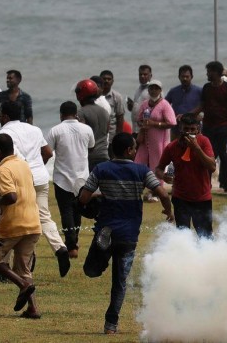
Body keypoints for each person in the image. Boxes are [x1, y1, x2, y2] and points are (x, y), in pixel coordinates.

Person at [79, 133, 173, 334]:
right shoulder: (141, 171)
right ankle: (111, 325)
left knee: (91, 270)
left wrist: (98, 195)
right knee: (120, 282)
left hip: (107, 227)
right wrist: (168, 211)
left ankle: (103, 251)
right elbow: (163, 194)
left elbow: (84, 197)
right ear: (128, 151)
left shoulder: (101, 169)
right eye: (134, 148)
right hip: (129, 234)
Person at [0, 101, 70, 277]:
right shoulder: (34, 129)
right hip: (41, 177)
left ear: (5, 116)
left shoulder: (3, 133)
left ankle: (4, 263)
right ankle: (60, 248)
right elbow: (47, 153)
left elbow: (13, 158)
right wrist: (38, 168)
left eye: (0, 114)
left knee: (12, 217)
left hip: (21, 180)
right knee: (43, 216)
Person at [0, 133, 42, 319]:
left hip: (13, 224)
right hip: (33, 223)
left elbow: (11, 197)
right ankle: (33, 309)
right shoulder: (23, 164)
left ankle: (22, 285)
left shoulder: (4, 169)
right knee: (24, 268)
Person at [45, 101, 95, 258]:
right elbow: (91, 147)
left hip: (62, 178)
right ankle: (74, 243)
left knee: (66, 211)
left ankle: (71, 245)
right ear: (77, 115)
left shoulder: (55, 130)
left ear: (61, 115)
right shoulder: (86, 129)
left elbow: (48, 151)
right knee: (77, 210)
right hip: (82, 177)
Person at [156, 113, 216, 238]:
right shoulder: (172, 147)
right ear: (180, 129)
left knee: (205, 236)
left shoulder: (204, 142)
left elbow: (212, 166)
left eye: (192, 129)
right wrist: (164, 176)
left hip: (202, 198)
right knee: (183, 237)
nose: (189, 132)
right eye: (186, 129)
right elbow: (158, 169)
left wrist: (197, 148)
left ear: (198, 130)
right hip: (181, 198)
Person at [194, 61, 227, 192]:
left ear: (216, 73)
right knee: (207, 156)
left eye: (209, 72)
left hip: (223, 127)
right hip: (208, 127)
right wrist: (189, 114)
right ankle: (206, 184)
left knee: (224, 157)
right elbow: (201, 106)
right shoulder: (206, 88)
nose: (207, 74)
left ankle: (226, 184)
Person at [135, 79, 176, 202]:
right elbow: (139, 119)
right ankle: (136, 188)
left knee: (157, 165)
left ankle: (157, 191)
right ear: (148, 90)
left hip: (159, 140)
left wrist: (154, 123)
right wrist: (143, 124)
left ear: (160, 90)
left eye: (156, 88)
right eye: (151, 88)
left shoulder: (164, 104)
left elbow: (172, 122)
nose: (153, 90)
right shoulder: (145, 104)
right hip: (145, 139)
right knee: (138, 163)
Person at [75, 78, 110, 171]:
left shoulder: (80, 113)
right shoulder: (104, 112)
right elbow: (106, 131)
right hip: (104, 155)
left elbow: (80, 135)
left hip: (89, 157)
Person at [165, 65, 202, 137]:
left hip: (194, 129)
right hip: (176, 129)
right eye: (183, 76)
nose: (185, 79)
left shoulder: (199, 91)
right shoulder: (173, 91)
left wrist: (198, 115)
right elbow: (164, 106)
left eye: (187, 76)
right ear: (179, 77)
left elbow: (205, 105)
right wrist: (170, 117)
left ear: (192, 77)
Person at [100, 70, 125, 157]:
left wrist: (118, 137)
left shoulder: (117, 97)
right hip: (98, 137)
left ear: (112, 81)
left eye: (109, 79)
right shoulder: (96, 96)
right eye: (104, 79)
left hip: (112, 137)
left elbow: (120, 117)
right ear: (100, 80)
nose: (106, 81)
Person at [127, 64, 152, 137]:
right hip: (135, 128)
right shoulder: (138, 89)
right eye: (140, 74)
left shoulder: (153, 90)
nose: (142, 76)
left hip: (145, 130)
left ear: (150, 76)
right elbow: (138, 107)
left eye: (145, 74)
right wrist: (131, 106)